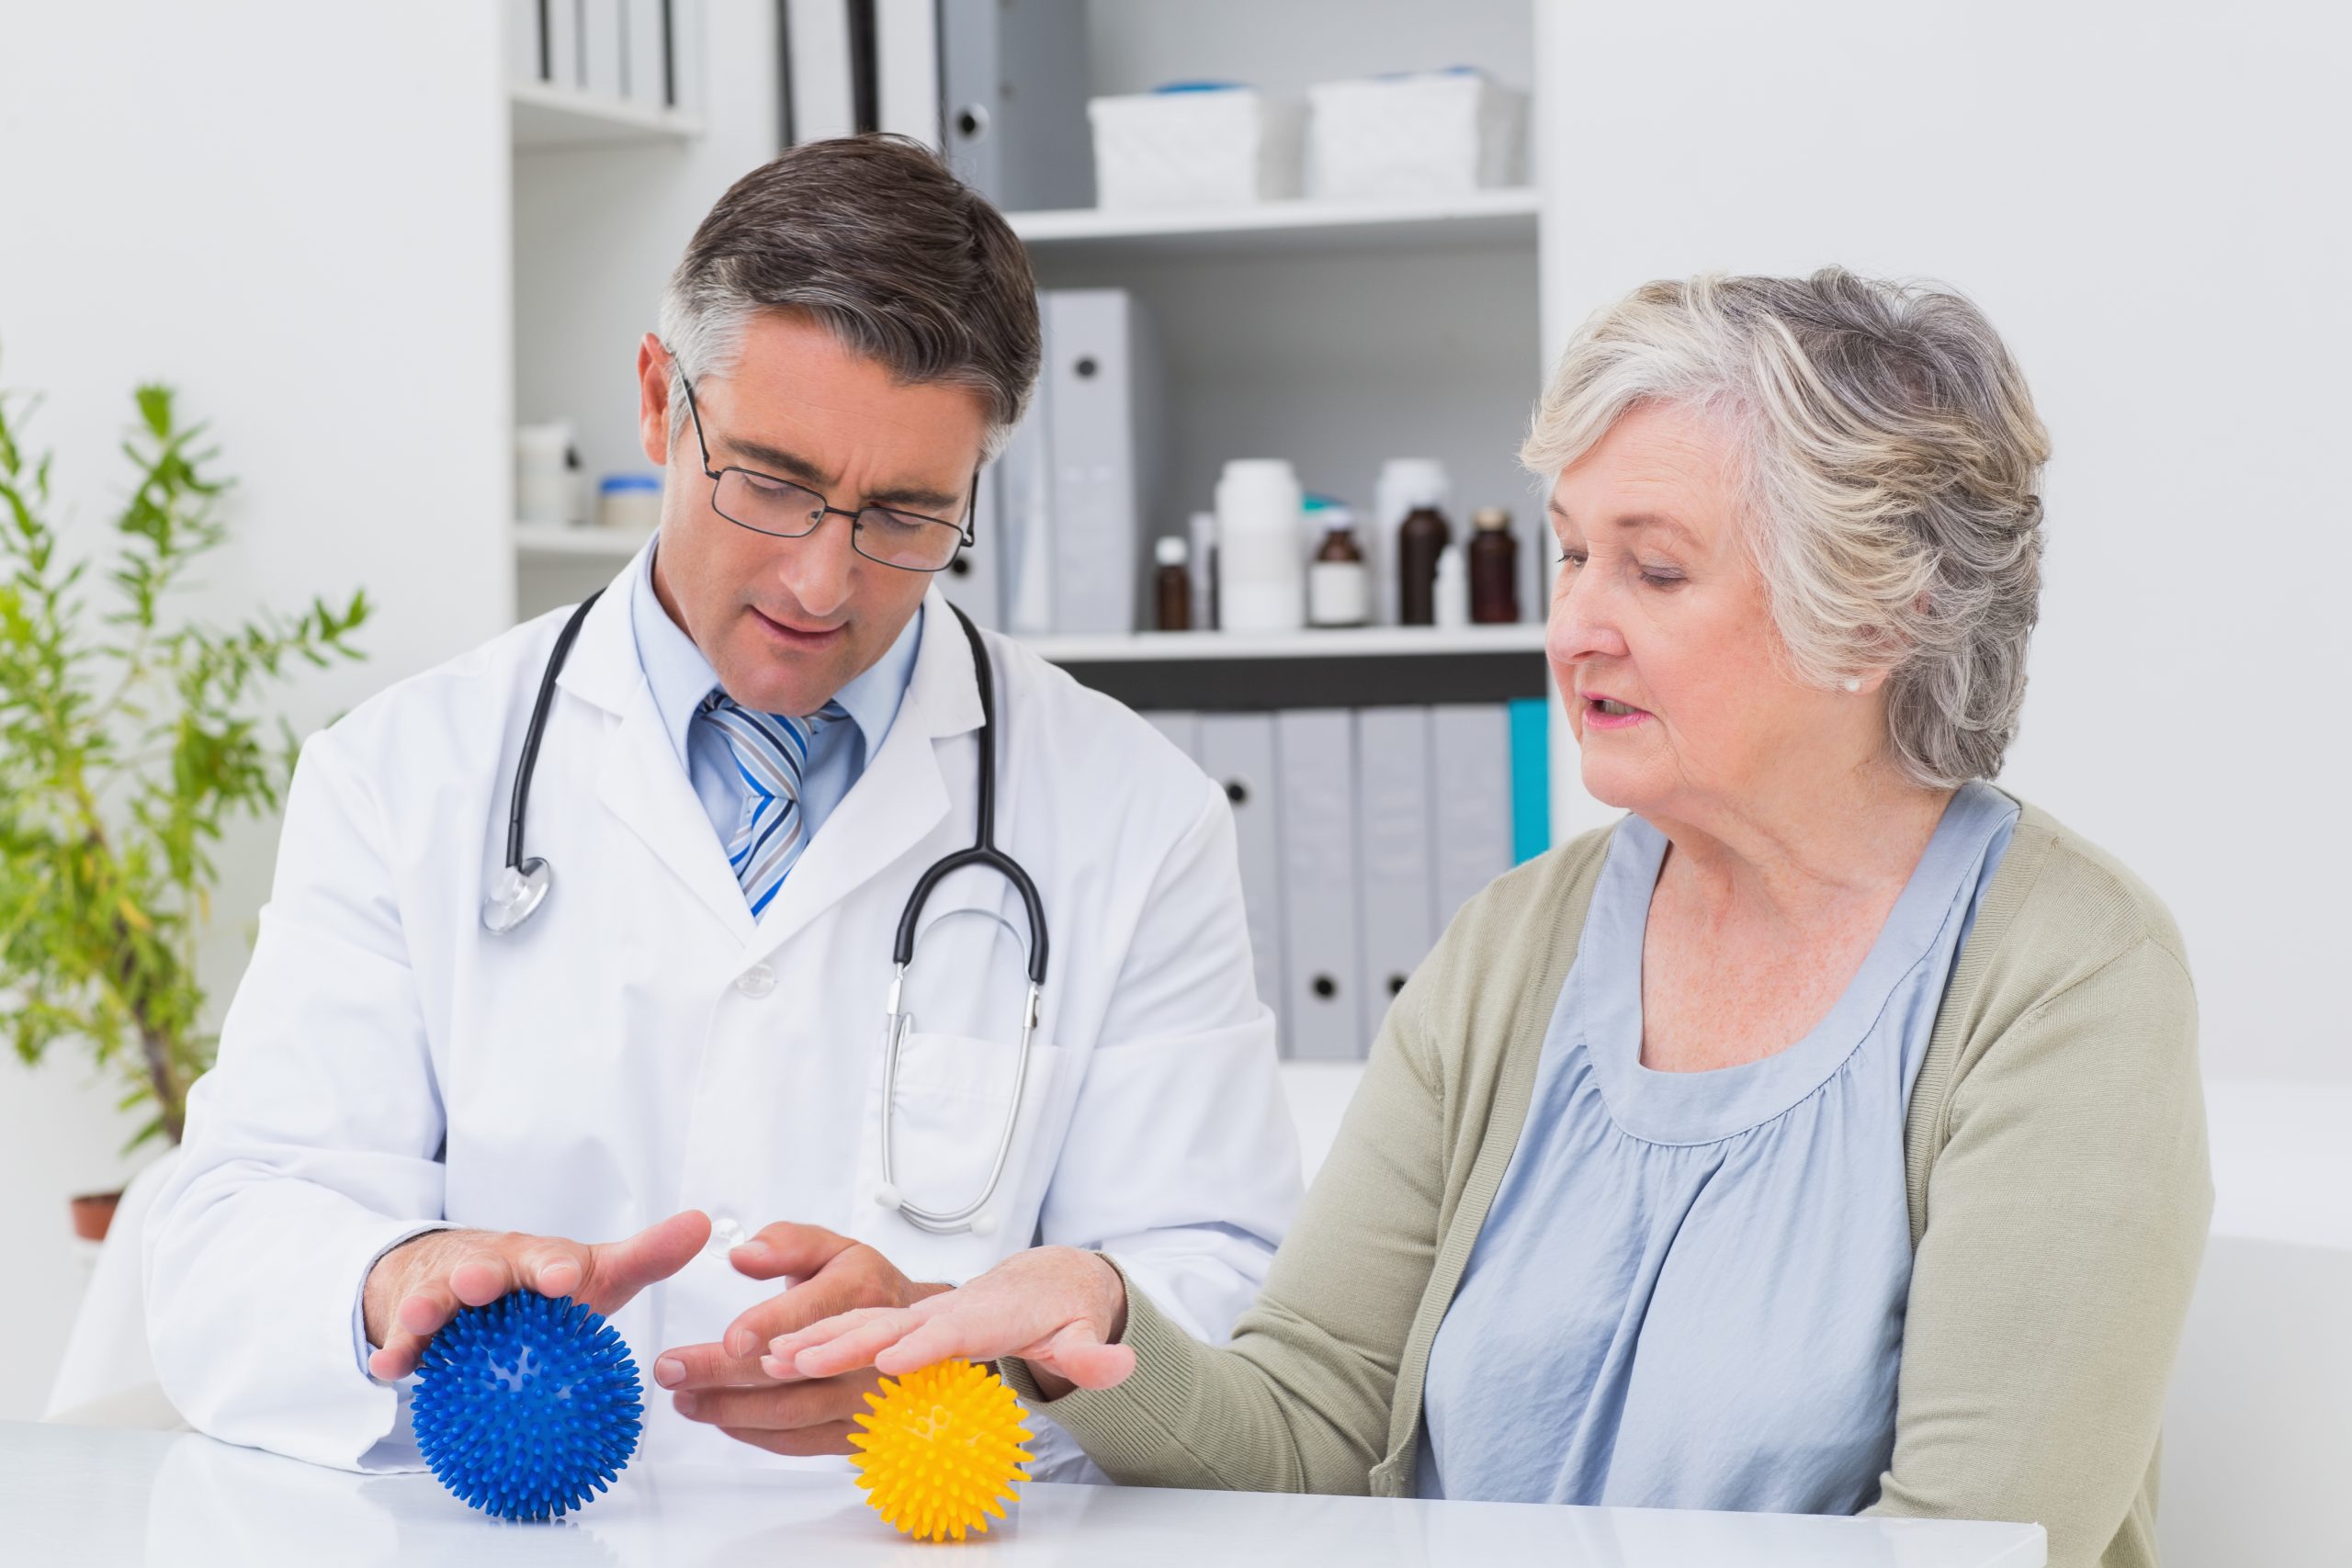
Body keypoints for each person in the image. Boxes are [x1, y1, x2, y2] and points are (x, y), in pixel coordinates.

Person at [767, 269, 2212, 1568]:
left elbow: (1970, 1549)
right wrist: (1095, 1315)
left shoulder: (2065, 979)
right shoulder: (1516, 947)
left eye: (1653, 568)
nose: (1576, 622)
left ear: (1880, 611)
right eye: (1571, 553)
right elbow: (1315, 1429)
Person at [141, 134, 1299, 1474]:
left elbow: (1228, 1289)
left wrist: (969, 1349)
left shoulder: (1131, 813)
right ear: (657, 400)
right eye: (772, 482)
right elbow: (227, 1239)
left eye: (908, 516)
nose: (822, 580)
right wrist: (396, 1274)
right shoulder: (406, 776)